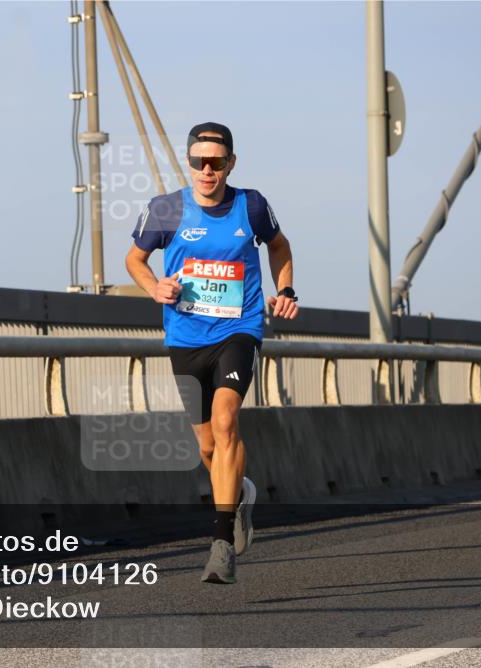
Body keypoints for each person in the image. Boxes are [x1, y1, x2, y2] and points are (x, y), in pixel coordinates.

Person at [125, 122, 299, 584]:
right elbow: (135, 260)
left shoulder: (252, 205)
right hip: (185, 337)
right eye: (200, 161)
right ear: (189, 163)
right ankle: (239, 493)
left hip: (239, 329)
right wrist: (154, 287)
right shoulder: (165, 210)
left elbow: (279, 247)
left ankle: (221, 544)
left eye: (217, 162)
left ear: (230, 164)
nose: (208, 170)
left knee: (226, 423)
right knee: (208, 446)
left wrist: (285, 288)